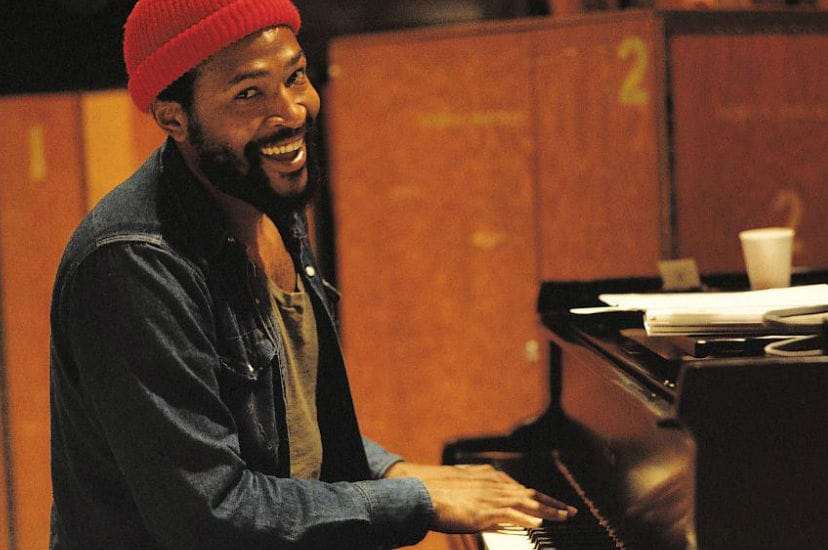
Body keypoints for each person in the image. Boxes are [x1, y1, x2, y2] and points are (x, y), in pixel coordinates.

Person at [47, 0, 574, 548]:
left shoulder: (263, 198)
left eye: (295, 76)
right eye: (250, 93)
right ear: (173, 116)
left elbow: (284, 431)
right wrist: (417, 499)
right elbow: (210, 512)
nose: (293, 111)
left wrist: (391, 471)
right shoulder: (134, 265)